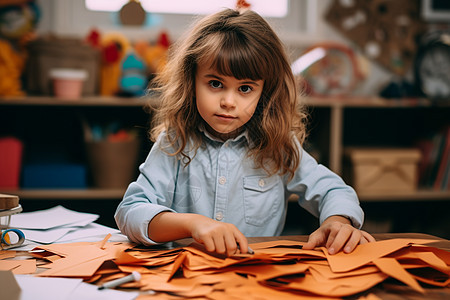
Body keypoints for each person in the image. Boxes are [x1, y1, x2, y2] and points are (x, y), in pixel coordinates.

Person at [115, 8, 375, 257]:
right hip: (185, 277)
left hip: (255, 276)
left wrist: (338, 221)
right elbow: (130, 212)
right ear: (191, 80)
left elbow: (333, 191)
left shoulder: (279, 146)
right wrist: (192, 224)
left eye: (245, 88)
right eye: (215, 84)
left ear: (266, 91)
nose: (229, 101)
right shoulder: (175, 142)